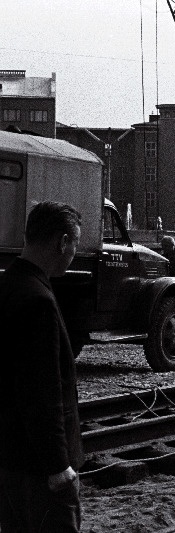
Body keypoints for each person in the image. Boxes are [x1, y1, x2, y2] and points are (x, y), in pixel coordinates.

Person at [0, 201, 84, 532]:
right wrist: (58, 466)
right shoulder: (39, 301)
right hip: (38, 469)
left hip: (8, 456)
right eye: (75, 244)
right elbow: (43, 393)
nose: (74, 252)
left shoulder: (7, 285)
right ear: (62, 242)